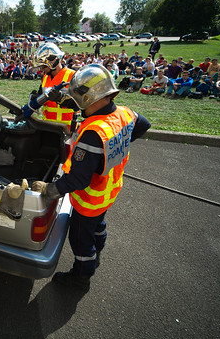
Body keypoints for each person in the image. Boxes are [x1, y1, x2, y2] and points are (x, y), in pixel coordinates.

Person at [31, 65, 150, 289]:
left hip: (89, 200)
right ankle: (100, 244)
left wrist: (48, 190)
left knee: (80, 239)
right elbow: (144, 124)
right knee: (98, 224)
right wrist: (118, 148)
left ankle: (82, 275)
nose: (75, 103)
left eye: (78, 98)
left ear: (90, 96)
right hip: (111, 189)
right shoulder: (123, 113)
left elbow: (77, 180)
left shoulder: (93, 135)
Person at [29, 42, 79, 131]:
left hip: (65, 129)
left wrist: (61, 99)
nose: (42, 69)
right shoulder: (45, 77)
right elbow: (42, 97)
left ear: (53, 62)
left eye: (44, 66)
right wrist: (36, 98)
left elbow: (79, 103)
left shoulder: (72, 76)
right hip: (47, 126)